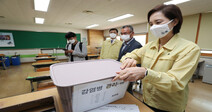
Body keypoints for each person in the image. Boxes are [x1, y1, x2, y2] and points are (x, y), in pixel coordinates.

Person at [113, 4, 200, 112]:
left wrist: (146, 73)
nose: (153, 27)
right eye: (151, 24)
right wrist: (128, 60)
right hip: (147, 100)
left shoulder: (189, 48)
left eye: (158, 22)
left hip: (169, 106)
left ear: (174, 22)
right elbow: (128, 55)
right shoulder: (149, 45)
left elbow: (176, 82)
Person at [118, 25, 142, 95]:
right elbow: (120, 57)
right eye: (121, 34)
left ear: (132, 33)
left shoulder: (136, 45)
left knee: (128, 91)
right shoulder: (123, 44)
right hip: (121, 70)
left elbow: (138, 62)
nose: (123, 35)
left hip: (129, 72)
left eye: (125, 33)